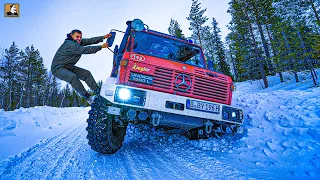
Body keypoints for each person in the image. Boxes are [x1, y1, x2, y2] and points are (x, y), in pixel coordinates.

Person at [51, 29, 112, 104]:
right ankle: (88, 97)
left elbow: (90, 41)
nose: (79, 39)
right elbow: (85, 50)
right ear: (71, 35)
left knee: (86, 74)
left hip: (68, 66)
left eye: (80, 37)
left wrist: (103, 37)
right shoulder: (70, 44)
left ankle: (99, 92)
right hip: (58, 68)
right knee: (72, 77)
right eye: (77, 37)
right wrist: (101, 47)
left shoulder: (77, 42)